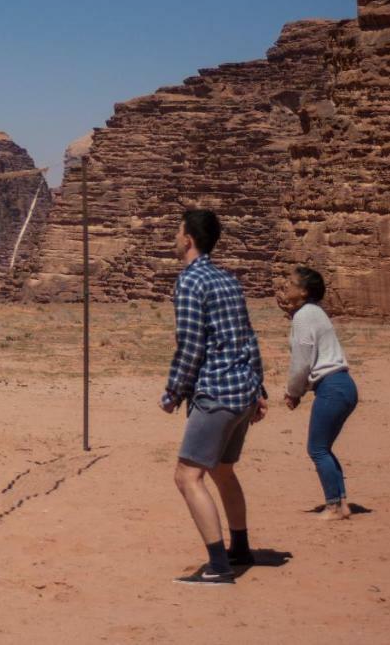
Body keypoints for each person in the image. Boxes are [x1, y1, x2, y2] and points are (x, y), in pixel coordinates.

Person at [159, 209, 267, 585]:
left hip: (216, 391)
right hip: (242, 392)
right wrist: (259, 388)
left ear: (188, 239)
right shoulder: (227, 279)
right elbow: (248, 337)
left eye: (177, 231)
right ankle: (240, 548)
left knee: (187, 477)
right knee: (222, 470)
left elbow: (190, 346)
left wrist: (173, 392)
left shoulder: (190, 282)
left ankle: (219, 565)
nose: (174, 237)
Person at [277, 266, 357, 521]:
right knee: (324, 448)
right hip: (343, 386)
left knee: (318, 449)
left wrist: (293, 392)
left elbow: (301, 362)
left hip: (331, 387)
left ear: (304, 291)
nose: (285, 285)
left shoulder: (304, 316)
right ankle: (341, 503)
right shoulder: (313, 313)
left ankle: (333, 507)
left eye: (291, 282)